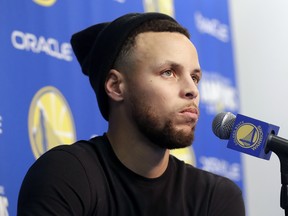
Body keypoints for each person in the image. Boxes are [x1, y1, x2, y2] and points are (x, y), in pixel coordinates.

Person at [17, 12, 245, 215]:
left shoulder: (214, 196)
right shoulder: (66, 175)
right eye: (168, 72)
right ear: (116, 86)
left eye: (195, 77)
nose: (192, 90)